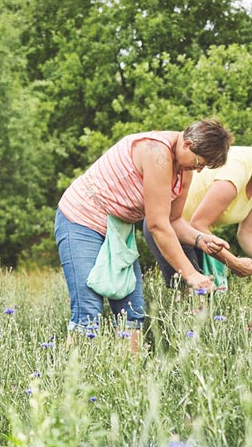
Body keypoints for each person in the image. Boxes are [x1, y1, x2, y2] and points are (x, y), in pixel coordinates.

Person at [54, 119, 233, 347]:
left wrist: (201, 240)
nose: (198, 169)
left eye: (203, 167)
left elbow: (174, 220)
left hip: (117, 231)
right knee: (88, 311)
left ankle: (130, 379)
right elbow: (157, 225)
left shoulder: (184, 168)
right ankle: (71, 379)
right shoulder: (157, 153)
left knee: (132, 312)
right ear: (187, 144)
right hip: (81, 220)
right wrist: (190, 274)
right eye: (199, 162)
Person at [144, 145, 252, 286]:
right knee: (194, 296)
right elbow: (198, 224)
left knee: (207, 299)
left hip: (198, 237)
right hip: (170, 228)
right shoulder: (237, 170)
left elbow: (246, 232)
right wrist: (234, 263)